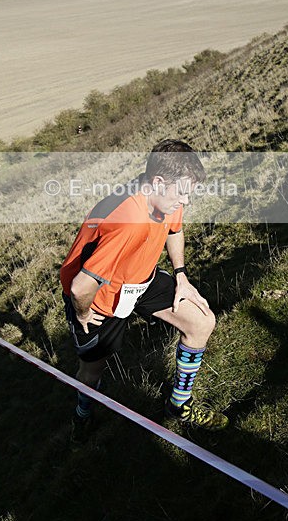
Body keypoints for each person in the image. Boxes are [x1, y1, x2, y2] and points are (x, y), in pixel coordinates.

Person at [60, 139, 228, 442]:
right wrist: (82, 313)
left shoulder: (165, 197)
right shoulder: (131, 219)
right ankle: (82, 415)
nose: (186, 202)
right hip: (97, 298)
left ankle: (179, 405)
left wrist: (181, 276)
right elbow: (80, 286)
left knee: (202, 321)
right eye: (183, 194)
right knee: (92, 371)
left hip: (140, 278)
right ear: (159, 181)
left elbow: (175, 229)